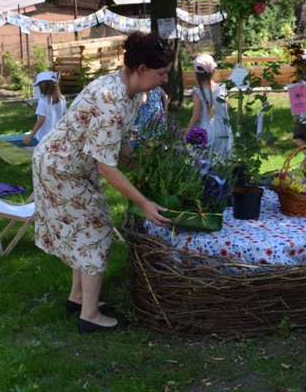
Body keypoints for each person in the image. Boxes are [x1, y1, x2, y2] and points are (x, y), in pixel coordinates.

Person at [31, 32, 173, 334]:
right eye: (161, 74)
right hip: (61, 169)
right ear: (142, 69)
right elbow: (107, 167)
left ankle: (79, 298)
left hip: (71, 166)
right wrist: (144, 202)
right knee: (97, 232)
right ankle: (90, 316)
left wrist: (143, 174)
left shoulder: (133, 94)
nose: (164, 80)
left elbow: (121, 144)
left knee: (84, 230)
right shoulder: (111, 99)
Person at [186, 54, 233, 159]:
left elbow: (196, 117)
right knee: (222, 161)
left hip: (205, 132)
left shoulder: (198, 93)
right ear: (213, 71)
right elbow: (229, 107)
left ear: (196, 74)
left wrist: (187, 133)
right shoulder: (221, 88)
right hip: (224, 130)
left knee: (205, 162)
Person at [23, 71, 67, 146]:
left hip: (45, 136)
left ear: (43, 86)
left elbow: (41, 120)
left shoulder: (43, 101)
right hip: (58, 134)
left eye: (39, 86)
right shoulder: (62, 98)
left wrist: (30, 136)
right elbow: (64, 115)